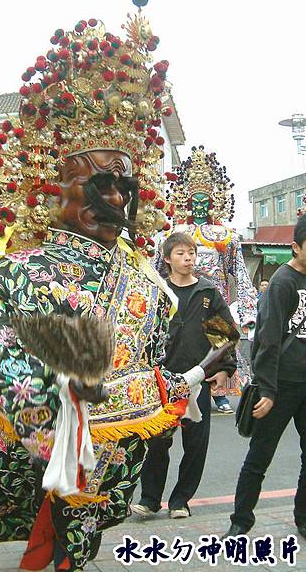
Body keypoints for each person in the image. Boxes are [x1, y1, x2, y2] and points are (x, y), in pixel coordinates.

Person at [0, 0, 232, 572]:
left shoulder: (180, 286)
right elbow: (17, 370)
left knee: (124, 507)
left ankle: (177, 503)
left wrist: (208, 370)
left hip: (150, 418)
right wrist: (61, 433)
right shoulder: (26, 268)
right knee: (65, 541)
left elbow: (215, 331)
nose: (117, 198)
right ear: (56, 189)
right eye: (99, 184)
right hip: (64, 450)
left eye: (125, 185)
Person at [131, 232, 237, 519]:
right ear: (166, 259)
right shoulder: (157, 291)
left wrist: (225, 368)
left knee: (195, 443)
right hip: (161, 381)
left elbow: (225, 335)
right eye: (180, 253)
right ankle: (150, 499)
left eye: (191, 252)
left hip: (196, 380)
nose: (188, 258)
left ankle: (181, 500)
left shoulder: (206, 293)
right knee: (156, 442)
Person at [223, 214, 306, 539]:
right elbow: (267, 340)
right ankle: (241, 520)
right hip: (281, 385)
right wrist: (268, 391)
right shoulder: (283, 283)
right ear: (295, 247)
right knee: (260, 455)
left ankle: (303, 517)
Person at [161, 146, 257, 413]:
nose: (201, 205)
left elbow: (239, 271)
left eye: (205, 200)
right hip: (179, 297)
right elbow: (158, 273)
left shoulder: (225, 235)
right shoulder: (175, 233)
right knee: (180, 343)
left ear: (213, 202)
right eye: (196, 200)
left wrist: (249, 309)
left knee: (218, 340)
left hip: (212, 298)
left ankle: (218, 389)